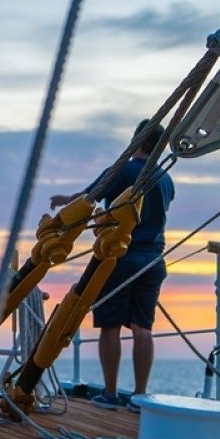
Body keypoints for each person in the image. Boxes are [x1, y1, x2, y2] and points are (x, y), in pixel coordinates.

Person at [49, 119, 175, 414]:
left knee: (110, 326)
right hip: (152, 261)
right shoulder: (165, 178)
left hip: (119, 256)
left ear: (136, 141)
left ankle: (109, 394)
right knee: (143, 328)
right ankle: (140, 397)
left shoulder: (122, 170)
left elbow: (89, 198)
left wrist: (65, 203)